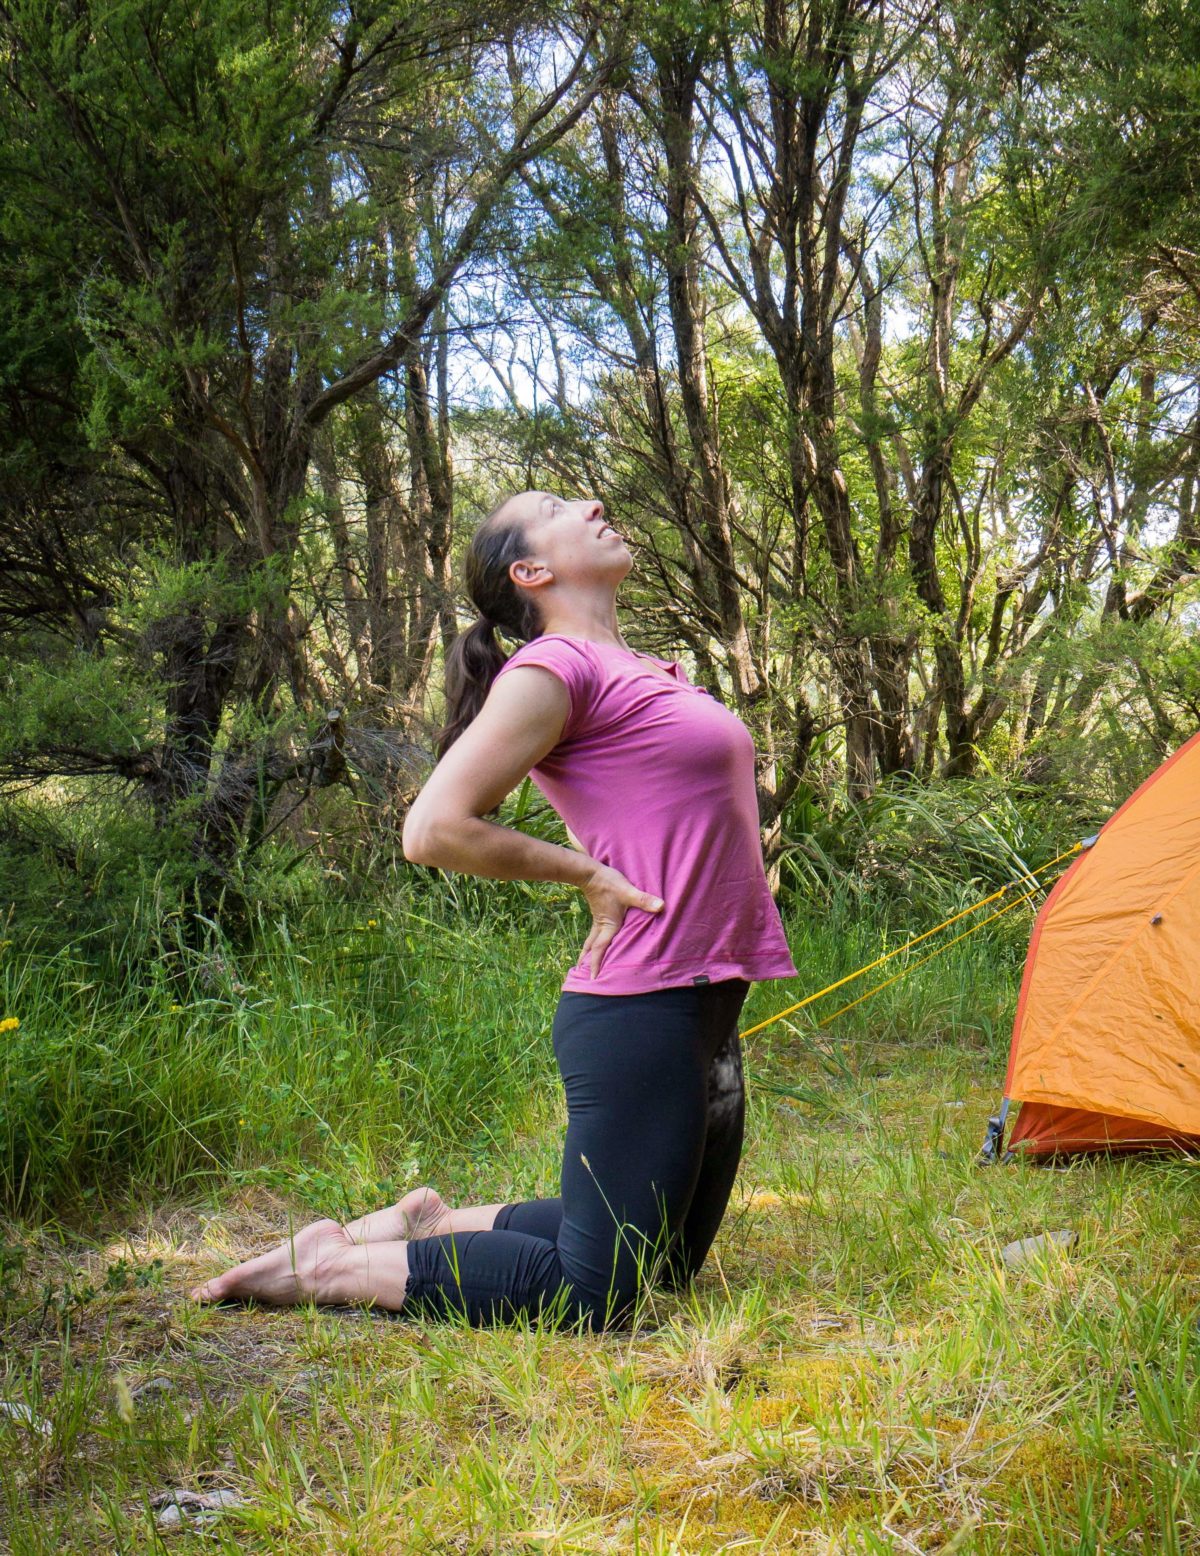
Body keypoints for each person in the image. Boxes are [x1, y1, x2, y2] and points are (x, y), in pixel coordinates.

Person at [190, 491, 796, 1328]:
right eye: (556, 505)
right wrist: (583, 873)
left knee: (662, 1265)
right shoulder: (555, 670)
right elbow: (434, 829)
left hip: (705, 1000)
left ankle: (431, 1222)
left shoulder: (647, 671)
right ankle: (332, 1266)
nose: (593, 501)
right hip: (640, 1004)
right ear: (531, 571)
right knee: (600, 1295)